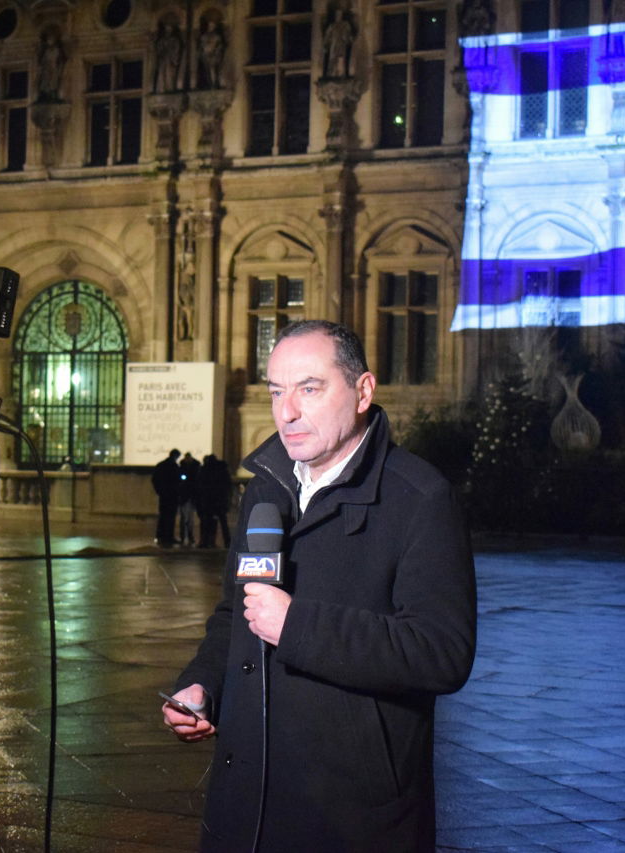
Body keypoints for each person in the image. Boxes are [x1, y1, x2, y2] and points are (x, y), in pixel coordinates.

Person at [162, 320, 476, 851]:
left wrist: (297, 625)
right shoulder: (265, 490)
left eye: (310, 388)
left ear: (362, 391)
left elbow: (441, 653)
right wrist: (203, 685)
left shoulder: (420, 499)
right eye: (277, 391)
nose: (286, 412)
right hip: (244, 806)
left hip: (349, 818)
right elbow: (234, 615)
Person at [196, 454, 232, 549]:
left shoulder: (205, 470)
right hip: (220, 501)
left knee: (207, 522)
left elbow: (200, 486)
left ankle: (206, 541)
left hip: (208, 501)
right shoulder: (222, 470)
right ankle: (227, 542)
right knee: (223, 523)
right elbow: (228, 486)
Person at [152, 448, 181, 546]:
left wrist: (159, 491)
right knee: (170, 517)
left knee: (163, 516)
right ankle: (168, 536)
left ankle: (161, 536)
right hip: (172, 495)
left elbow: (155, 479)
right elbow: (178, 481)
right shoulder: (174, 466)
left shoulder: (161, 465)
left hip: (164, 495)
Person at [177, 451, 202, 547]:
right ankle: (187, 536)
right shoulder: (196, 467)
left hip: (187, 496)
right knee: (187, 518)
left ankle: (186, 536)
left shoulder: (183, 467)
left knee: (187, 518)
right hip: (189, 496)